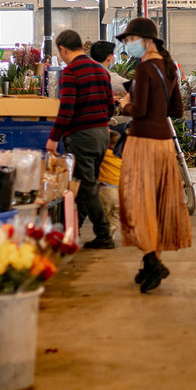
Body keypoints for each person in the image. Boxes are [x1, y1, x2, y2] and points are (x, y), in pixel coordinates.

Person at [116, 17, 191, 293]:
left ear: (146, 41)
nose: (127, 45)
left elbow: (140, 110)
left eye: (130, 40)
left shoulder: (146, 69)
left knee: (138, 203)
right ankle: (151, 263)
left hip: (143, 143)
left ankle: (152, 261)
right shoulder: (169, 68)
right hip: (164, 144)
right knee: (156, 203)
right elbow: (177, 111)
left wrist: (125, 104)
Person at [46, 30, 115, 250]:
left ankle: (104, 235)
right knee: (86, 184)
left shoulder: (70, 73)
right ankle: (74, 229)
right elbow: (111, 106)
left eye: (61, 52)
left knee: (87, 186)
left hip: (82, 137)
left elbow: (66, 110)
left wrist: (53, 139)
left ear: (63, 49)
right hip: (102, 135)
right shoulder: (101, 70)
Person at [98, 130, 123, 243]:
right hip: (120, 192)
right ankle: (111, 232)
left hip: (106, 190)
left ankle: (105, 236)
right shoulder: (121, 157)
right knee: (114, 215)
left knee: (105, 214)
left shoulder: (104, 154)